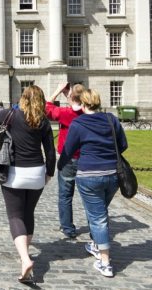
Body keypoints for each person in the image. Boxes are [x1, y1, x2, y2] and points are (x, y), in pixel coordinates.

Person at [0, 85, 56, 283]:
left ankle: (25, 259)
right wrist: (49, 172)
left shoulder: (10, 115)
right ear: (40, 101)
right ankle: (25, 252)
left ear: (22, 98)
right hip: (36, 173)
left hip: (14, 173)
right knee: (28, 213)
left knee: (15, 216)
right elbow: (50, 151)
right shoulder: (43, 121)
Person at [57, 89, 127, 278]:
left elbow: (68, 150)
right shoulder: (111, 119)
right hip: (113, 174)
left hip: (89, 175)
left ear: (83, 103)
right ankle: (96, 244)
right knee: (100, 212)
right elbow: (123, 145)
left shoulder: (78, 123)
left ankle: (105, 262)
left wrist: (59, 165)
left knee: (98, 218)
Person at [45, 82, 85, 239]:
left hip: (68, 159)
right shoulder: (88, 112)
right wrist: (69, 94)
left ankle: (68, 228)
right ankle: (95, 227)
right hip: (86, 160)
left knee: (65, 195)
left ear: (70, 97)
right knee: (89, 196)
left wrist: (56, 91)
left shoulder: (65, 113)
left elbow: (46, 108)